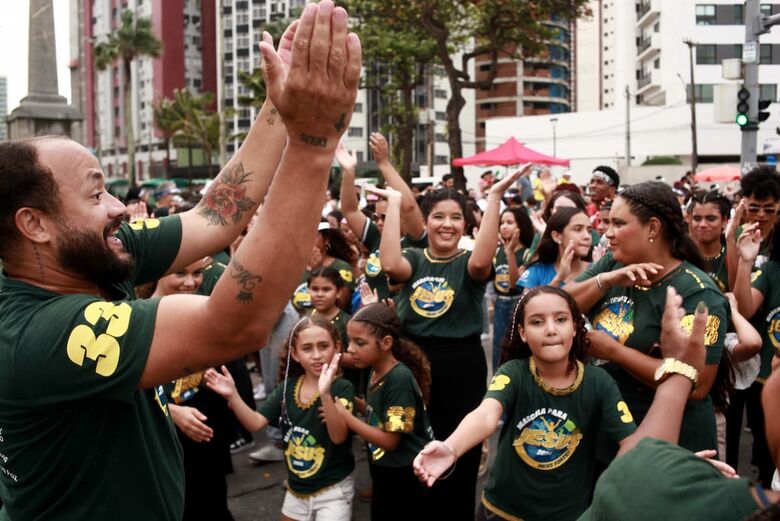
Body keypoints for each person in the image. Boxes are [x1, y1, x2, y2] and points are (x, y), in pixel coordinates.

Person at [0, 4, 362, 519]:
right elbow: (236, 325)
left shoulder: (94, 253)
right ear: (34, 225)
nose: (119, 207)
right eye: (95, 194)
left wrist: (282, 106)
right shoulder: (34, 335)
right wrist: (311, 145)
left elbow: (215, 214)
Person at [375, 166, 530, 520]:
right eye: (438, 217)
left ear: (466, 224)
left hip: (461, 364)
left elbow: (483, 258)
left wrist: (492, 199)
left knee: (456, 448)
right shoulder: (414, 259)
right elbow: (389, 263)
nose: (447, 224)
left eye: (456, 218)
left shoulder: (469, 264)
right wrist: (396, 207)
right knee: (410, 443)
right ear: (426, 223)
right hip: (412, 361)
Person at [414, 286, 637, 521]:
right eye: (537, 322)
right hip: (502, 511)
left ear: (574, 327)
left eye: (560, 319)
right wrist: (451, 447)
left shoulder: (600, 382)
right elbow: (486, 415)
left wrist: (609, 488)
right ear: (522, 332)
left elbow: (630, 440)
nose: (550, 330)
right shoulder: (514, 373)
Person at [578, 288, 775, 521]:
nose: (774, 365)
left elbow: (625, 480)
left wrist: (679, 371)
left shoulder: (730, 504)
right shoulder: (748, 502)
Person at [565, 181, 729, 456]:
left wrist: (614, 352)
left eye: (618, 224)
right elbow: (562, 306)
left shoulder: (698, 294)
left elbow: (698, 385)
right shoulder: (615, 263)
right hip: (612, 431)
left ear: (652, 228)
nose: (607, 233)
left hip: (672, 444)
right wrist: (605, 280)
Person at [205, 316, 356, 521]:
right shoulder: (288, 387)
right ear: (295, 354)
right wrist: (233, 394)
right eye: (307, 348)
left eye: (323, 346)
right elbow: (255, 423)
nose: (317, 355)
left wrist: (326, 395)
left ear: (337, 347)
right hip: (297, 489)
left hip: (334, 489)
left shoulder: (342, 388)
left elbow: (339, 437)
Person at [152, 257, 237, 521]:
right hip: (163, 435)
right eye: (180, 273)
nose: (191, 282)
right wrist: (171, 411)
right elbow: (123, 385)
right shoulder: (137, 316)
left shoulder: (203, 309)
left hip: (207, 428)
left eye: (198, 273)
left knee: (213, 503)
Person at [333, 303, 433, 521]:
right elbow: (377, 413)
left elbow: (390, 440)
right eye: (350, 341)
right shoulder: (374, 369)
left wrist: (347, 417)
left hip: (404, 473)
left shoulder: (399, 379)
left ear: (386, 343)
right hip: (385, 467)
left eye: (360, 343)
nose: (350, 349)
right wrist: (353, 403)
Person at [337, 135, 426, 303]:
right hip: (376, 319)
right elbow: (350, 211)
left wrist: (384, 163)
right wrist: (348, 172)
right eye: (376, 217)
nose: (378, 222)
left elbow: (409, 207)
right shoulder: (376, 236)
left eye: (385, 217)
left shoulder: (416, 239)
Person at [731, 221, 780, 485]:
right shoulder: (771, 272)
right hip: (767, 383)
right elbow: (745, 308)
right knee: (767, 461)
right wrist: (745, 262)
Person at [491, 207, 534, 372]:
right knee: (498, 347)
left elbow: (515, 284)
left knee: (514, 347)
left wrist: (510, 253)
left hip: (517, 303)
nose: (504, 226)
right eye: (502, 223)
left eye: (509, 222)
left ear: (520, 226)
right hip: (500, 303)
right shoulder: (498, 251)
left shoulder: (527, 253)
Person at [518, 207, 593, 291]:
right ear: (556, 236)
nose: (587, 236)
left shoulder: (596, 270)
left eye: (589, 231)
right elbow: (526, 304)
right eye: (578, 229)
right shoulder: (537, 271)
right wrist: (559, 278)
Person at [688, 190, 731, 292]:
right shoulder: (680, 256)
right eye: (697, 218)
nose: (703, 224)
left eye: (711, 218)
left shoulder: (733, 257)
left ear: (724, 221)